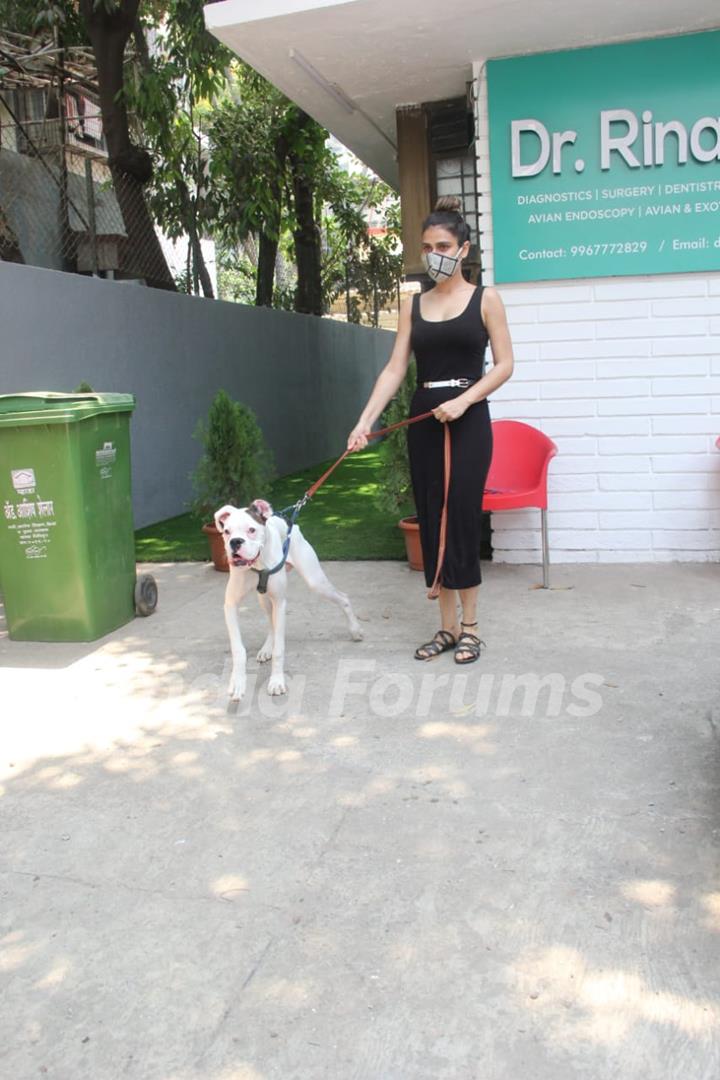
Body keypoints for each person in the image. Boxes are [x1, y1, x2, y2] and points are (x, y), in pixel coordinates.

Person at [347, 195, 514, 664]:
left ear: (463, 249)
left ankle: (472, 628)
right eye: (426, 246)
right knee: (432, 514)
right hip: (425, 416)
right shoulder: (413, 305)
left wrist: (463, 400)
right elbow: (395, 369)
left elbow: (505, 366)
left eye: (443, 245)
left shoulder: (486, 299)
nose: (433, 254)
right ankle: (445, 628)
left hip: (468, 416)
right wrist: (364, 421)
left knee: (461, 514)